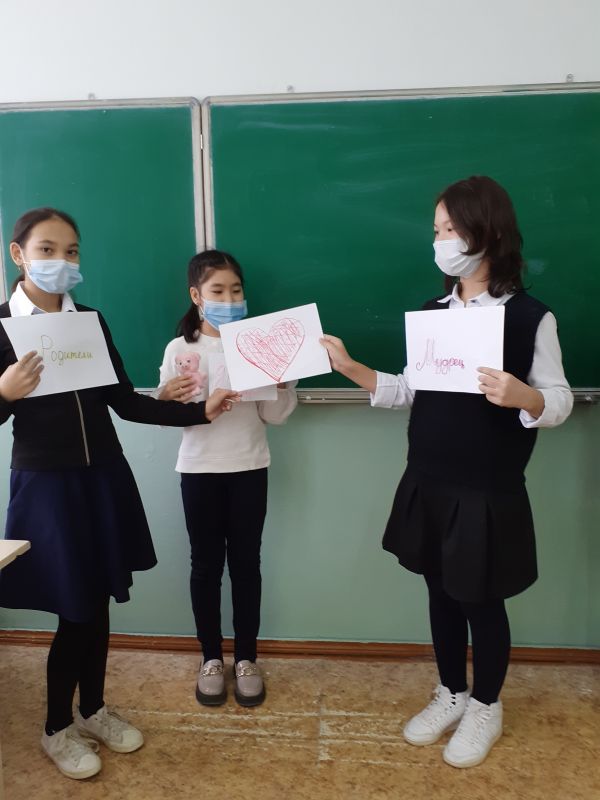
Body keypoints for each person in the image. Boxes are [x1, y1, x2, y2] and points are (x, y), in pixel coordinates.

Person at [321, 176, 573, 768]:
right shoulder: (433, 314)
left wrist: (525, 397)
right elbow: (411, 389)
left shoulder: (530, 317)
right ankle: (452, 691)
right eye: (436, 230)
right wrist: (351, 367)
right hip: (429, 479)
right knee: (438, 589)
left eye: (451, 229)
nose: (440, 241)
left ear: (487, 231)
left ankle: (486, 704)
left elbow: (559, 398)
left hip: (485, 487)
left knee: (480, 599)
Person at [0, 208, 238, 780]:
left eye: (72, 251)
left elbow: (124, 401)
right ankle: (57, 727)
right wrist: (3, 393)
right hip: (48, 486)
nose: (62, 261)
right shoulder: (1, 325)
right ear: (18, 254)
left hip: (104, 476)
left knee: (100, 599)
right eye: (48, 249)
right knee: (74, 608)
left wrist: (197, 413)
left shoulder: (90, 321)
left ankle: (93, 709)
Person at [155, 249, 297, 707]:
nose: (230, 299)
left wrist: (284, 381)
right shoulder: (179, 349)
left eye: (236, 290)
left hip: (249, 468)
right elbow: (168, 415)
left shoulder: (257, 345)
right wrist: (165, 397)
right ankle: (211, 658)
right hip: (199, 470)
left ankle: (247, 658)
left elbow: (275, 416)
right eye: (218, 290)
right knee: (205, 566)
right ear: (196, 296)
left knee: (246, 565)